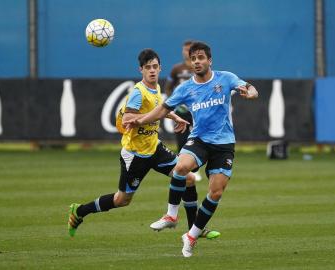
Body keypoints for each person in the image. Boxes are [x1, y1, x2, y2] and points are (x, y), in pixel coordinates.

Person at [124, 41, 258, 257]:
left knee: (216, 192)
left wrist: (251, 93)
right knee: (181, 167)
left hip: (224, 144)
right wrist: (139, 121)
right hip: (199, 140)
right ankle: (171, 215)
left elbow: (249, 87)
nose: (196, 62)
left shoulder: (226, 78)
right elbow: (161, 110)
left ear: (209, 61)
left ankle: (192, 235)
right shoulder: (185, 88)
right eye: (193, 58)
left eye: (201, 58)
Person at [68, 48, 219, 239]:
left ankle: (194, 231)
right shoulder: (138, 92)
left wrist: (173, 116)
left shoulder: (155, 88)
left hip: (154, 148)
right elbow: (128, 118)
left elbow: (157, 109)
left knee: (187, 178)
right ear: (141, 70)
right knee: (121, 200)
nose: (152, 71)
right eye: (148, 68)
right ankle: (80, 211)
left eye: (155, 67)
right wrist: (148, 118)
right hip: (135, 154)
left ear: (160, 67)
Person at [164, 40, 203, 181]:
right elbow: (168, 87)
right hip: (181, 109)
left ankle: (196, 167)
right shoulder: (177, 69)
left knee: (199, 137)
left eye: (189, 49)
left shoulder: (199, 67)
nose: (186, 52)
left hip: (198, 108)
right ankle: (185, 169)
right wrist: (173, 103)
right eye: (184, 49)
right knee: (181, 139)